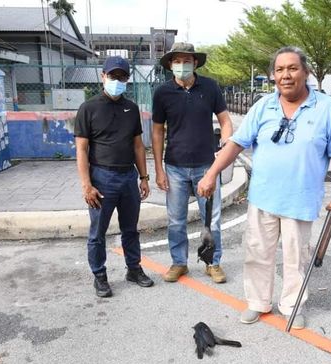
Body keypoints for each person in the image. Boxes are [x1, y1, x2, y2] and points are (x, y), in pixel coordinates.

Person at [197, 47, 331, 330]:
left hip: (300, 199)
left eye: (292, 68)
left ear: (306, 72)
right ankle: (258, 302)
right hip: (263, 197)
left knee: (296, 258)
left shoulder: (326, 107)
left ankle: (292, 305)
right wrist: (211, 174)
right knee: (257, 253)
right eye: (279, 70)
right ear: (273, 76)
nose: (285, 75)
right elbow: (236, 143)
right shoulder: (264, 106)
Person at [151, 42, 233, 284]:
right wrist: (158, 169)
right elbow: (157, 131)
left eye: (187, 61)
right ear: (170, 65)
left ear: (195, 63)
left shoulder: (210, 87)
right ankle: (179, 262)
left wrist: (226, 144)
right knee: (176, 220)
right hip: (174, 166)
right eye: (177, 61)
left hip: (207, 166)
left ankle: (212, 262)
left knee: (212, 219)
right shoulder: (162, 93)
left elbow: (225, 121)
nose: (182, 65)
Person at [74, 56, 154, 298]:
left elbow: (138, 145)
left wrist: (144, 177)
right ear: (103, 77)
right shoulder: (88, 108)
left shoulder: (131, 108)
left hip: (128, 176)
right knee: (97, 232)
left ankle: (134, 269)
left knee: (130, 229)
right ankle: (99, 276)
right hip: (102, 178)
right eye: (112, 76)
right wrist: (87, 185)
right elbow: (81, 149)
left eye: (122, 77)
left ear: (128, 79)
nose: (117, 81)